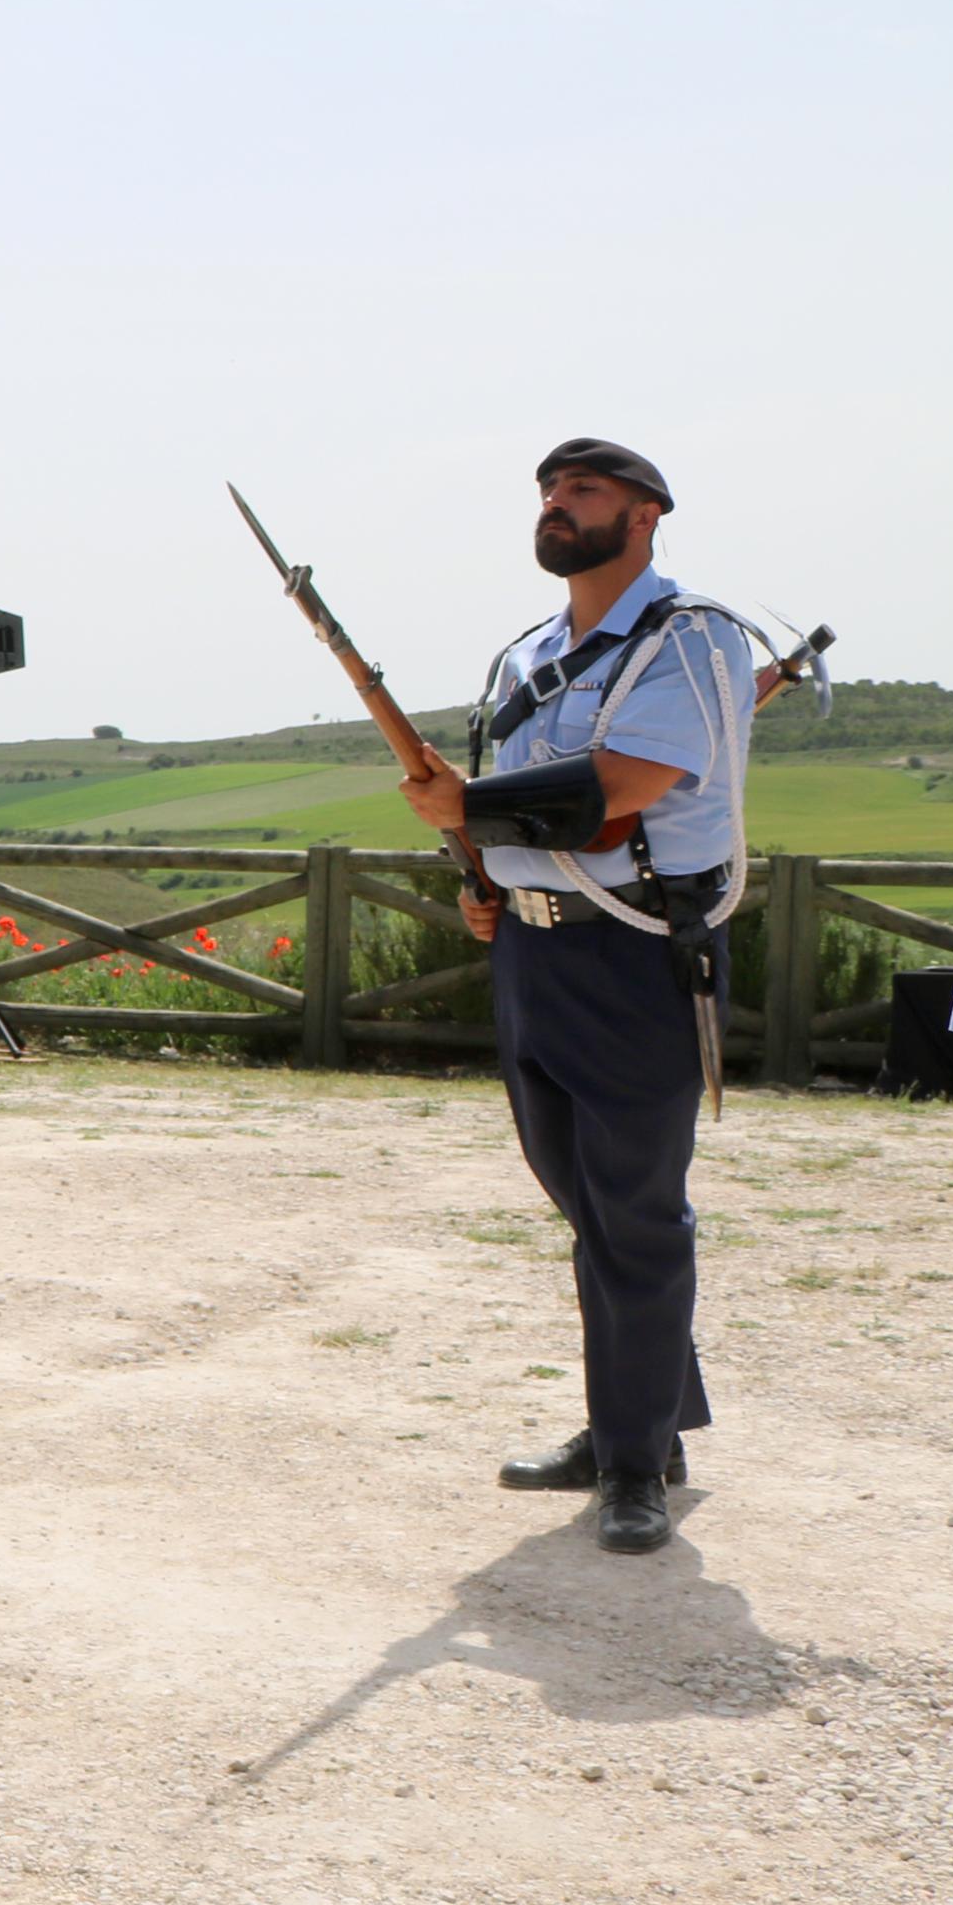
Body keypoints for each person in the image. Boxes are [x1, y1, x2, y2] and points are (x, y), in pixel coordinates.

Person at [396, 440, 755, 1555]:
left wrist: (473, 805)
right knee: (585, 1206)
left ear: (644, 516)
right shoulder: (522, 657)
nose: (556, 505)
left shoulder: (689, 637)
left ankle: (633, 1463)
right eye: (548, 492)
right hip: (533, 961)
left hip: (635, 958)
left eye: (582, 491)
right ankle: (634, 1421)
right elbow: (506, 819)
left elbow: (619, 792)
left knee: (634, 1215)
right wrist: (482, 880)